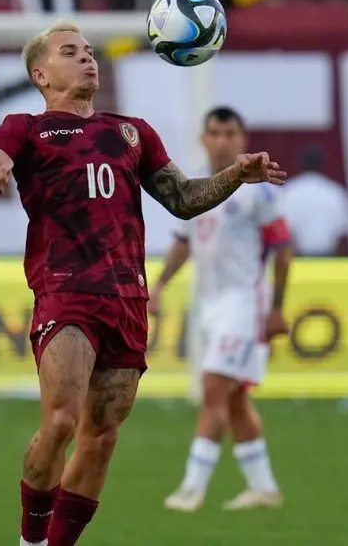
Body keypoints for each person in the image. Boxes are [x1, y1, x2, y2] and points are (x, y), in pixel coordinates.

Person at [0, 20, 285, 546]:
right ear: (41, 73)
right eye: (69, 52)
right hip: (66, 291)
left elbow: (183, 199)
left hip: (127, 297)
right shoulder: (25, 128)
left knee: (100, 436)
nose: (87, 59)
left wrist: (235, 175)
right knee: (60, 423)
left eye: (88, 51)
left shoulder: (132, 131)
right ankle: (29, 541)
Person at [148, 106, 292, 512]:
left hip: (244, 305)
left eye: (231, 133)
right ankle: (264, 487)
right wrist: (159, 285)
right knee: (233, 400)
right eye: (215, 132)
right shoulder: (196, 187)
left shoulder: (260, 190)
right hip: (209, 306)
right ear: (204, 138)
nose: (223, 140)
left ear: (242, 140)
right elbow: (183, 242)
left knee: (213, 389)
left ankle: (192, 488)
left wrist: (277, 308)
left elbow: (283, 250)